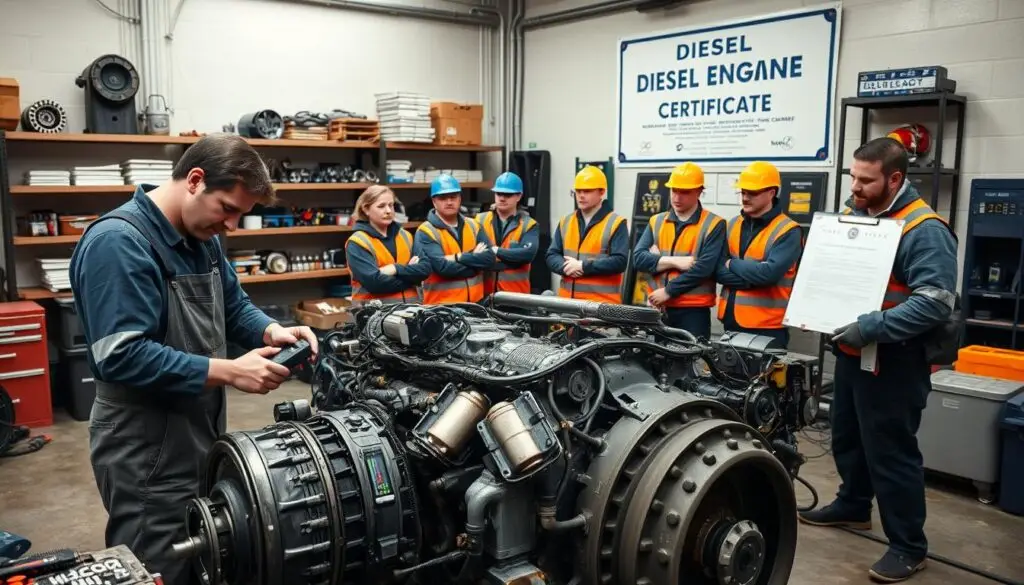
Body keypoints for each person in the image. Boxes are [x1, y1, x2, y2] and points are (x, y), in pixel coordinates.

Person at [68, 133, 319, 585]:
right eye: (227, 208)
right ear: (195, 180)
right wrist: (231, 371)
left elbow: (233, 306)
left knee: (201, 556)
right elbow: (120, 355)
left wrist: (271, 330)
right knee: (155, 562)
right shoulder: (118, 242)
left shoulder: (204, 237)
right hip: (143, 444)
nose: (233, 225)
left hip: (198, 430)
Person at [798, 137, 958, 583]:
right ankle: (853, 506)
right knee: (847, 436)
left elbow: (934, 302)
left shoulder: (924, 230)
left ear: (894, 179)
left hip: (896, 361)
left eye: (865, 181)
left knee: (890, 452)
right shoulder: (858, 216)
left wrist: (871, 327)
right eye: (853, 176)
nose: (855, 187)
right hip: (853, 354)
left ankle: (908, 546)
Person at [632, 162, 725, 339]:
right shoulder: (656, 221)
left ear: (699, 191)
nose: (677, 197)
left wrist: (668, 291)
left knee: (691, 356)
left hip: (693, 312)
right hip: (658, 309)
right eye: (674, 190)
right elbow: (638, 259)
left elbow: (704, 269)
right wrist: (674, 261)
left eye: (685, 192)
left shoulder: (714, 224)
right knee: (657, 356)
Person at [715, 161, 802, 347]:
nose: (745, 198)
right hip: (730, 322)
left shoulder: (788, 230)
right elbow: (717, 270)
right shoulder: (732, 224)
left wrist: (732, 263)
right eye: (743, 192)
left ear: (771, 193)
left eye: (752, 193)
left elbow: (768, 274)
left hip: (767, 326)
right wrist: (752, 279)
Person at [546, 165, 628, 303]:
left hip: (600, 305)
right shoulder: (566, 221)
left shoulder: (616, 223)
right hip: (567, 304)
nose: (581, 195)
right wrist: (565, 267)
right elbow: (551, 255)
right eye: (578, 191)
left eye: (587, 191)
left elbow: (619, 261)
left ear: (601, 192)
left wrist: (583, 267)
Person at [413, 173, 495, 304]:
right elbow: (443, 268)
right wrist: (475, 261)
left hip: (476, 305)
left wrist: (458, 257)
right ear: (434, 201)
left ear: (460, 199)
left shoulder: (474, 225)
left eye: (453, 197)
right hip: (442, 307)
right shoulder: (426, 231)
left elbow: (490, 259)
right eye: (443, 198)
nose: (449, 202)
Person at [345, 185, 431, 304]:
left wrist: (395, 269)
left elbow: (425, 269)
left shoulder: (406, 236)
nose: (388, 211)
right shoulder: (358, 242)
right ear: (366, 209)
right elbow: (375, 283)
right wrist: (412, 276)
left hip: (411, 311)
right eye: (381, 206)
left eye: (391, 205)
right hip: (374, 314)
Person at [476, 171, 539, 296]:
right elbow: (472, 255)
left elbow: (527, 255)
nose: (502, 198)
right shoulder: (480, 220)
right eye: (498, 193)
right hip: (484, 296)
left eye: (507, 195)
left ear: (519, 196)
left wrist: (495, 251)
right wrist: (512, 260)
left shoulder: (529, 225)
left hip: (516, 297)